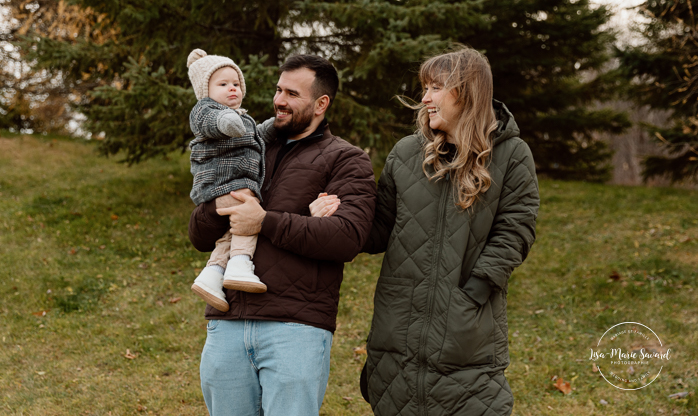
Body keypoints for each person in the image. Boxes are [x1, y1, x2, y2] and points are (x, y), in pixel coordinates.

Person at [187, 54, 376, 416]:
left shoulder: (346, 160)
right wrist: (220, 205)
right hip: (227, 323)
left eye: (292, 93)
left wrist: (264, 221)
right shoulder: (246, 143)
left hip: (296, 328)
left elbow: (346, 237)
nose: (278, 101)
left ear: (321, 104)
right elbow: (198, 235)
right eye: (278, 89)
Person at [362, 47, 539, 415]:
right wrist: (341, 206)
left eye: (436, 87)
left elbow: (516, 229)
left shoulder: (511, 154)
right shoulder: (406, 153)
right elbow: (377, 230)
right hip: (398, 331)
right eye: (424, 88)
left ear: (468, 92)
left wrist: (474, 291)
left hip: (467, 336)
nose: (425, 98)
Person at [186, 48, 276, 312]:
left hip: (228, 185)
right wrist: (227, 119)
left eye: (236, 84)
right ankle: (240, 264)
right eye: (223, 84)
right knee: (250, 214)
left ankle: (212, 275)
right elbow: (213, 122)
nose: (232, 89)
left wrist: (270, 127)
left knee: (230, 231)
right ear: (206, 90)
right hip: (223, 184)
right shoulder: (205, 109)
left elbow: (253, 136)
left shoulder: (242, 117)